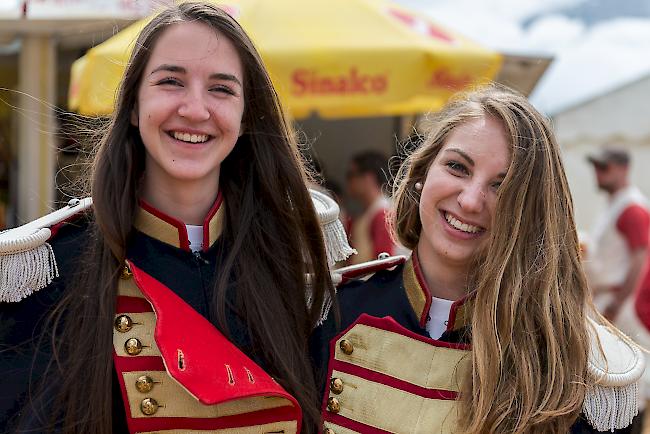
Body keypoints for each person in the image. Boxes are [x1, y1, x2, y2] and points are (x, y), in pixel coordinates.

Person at [0, 3, 345, 433]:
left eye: (221, 89)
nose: (195, 109)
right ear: (132, 105)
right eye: (170, 82)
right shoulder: (51, 269)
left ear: (245, 115)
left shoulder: (295, 267)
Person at [312, 85, 645, 433]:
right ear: (423, 173)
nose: (471, 201)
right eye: (457, 167)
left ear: (532, 215)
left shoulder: (577, 368)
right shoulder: (329, 313)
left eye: (502, 186)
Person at [583, 148, 650, 429]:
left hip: (622, 302)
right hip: (612, 298)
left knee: (631, 378)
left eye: (604, 167)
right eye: (597, 167)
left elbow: (641, 256)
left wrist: (617, 303)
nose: (599, 173)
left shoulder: (631, 208)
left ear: (623, 168)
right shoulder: (617, 204)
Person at [345, 151, 399, 264]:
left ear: (368, 178)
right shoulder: (371, 212)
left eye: (351, 175)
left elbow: (384, 262)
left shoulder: (382, 213)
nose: (348, 181)